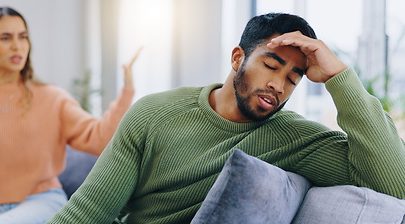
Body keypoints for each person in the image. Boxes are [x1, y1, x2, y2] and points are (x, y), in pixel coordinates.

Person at [46, 13, 405, 224]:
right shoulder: (153, 114)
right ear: (238, 58)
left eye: (293, 79)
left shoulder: (293, 137)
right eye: (271, 65)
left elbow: (396, 186)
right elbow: (88, 211)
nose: (278, 85)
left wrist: (341, 77)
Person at [0, 6, 142, 223]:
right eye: (6, 38)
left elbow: (100, 138)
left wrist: (126, 92)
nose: (17, 46)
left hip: (43, 202)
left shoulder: (52, 98)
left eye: (23, 37)